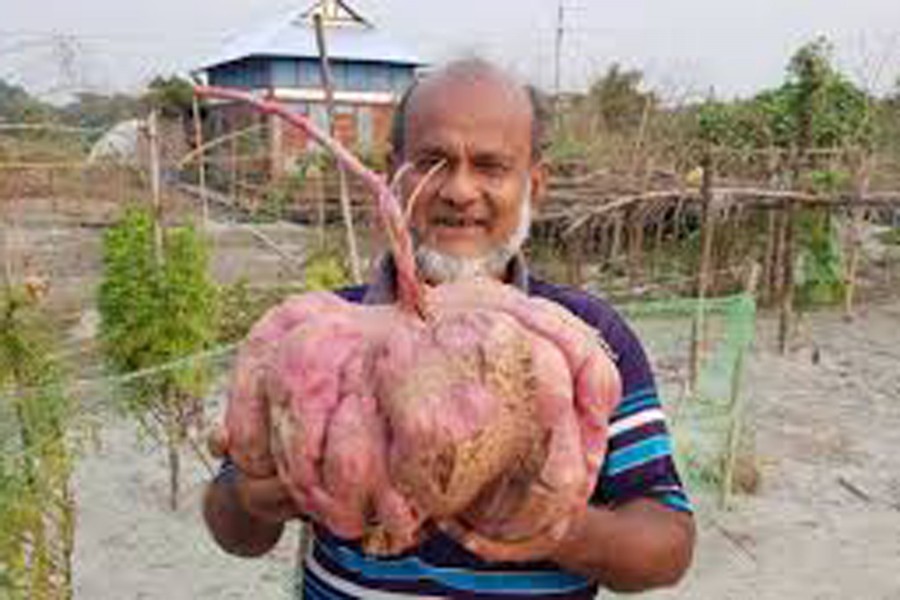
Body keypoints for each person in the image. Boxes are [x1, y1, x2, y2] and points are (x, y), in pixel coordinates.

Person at [203, 58, 696, 599]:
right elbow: (235, 533)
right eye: (433, 161)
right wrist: (249, 500)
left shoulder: (587, 335)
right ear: (394, 173)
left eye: (490, 166)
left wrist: (556, 529)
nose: (460, 190)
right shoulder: (315, 343)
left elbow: (667, 545)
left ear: (534, 183)